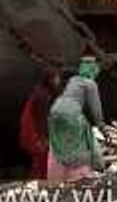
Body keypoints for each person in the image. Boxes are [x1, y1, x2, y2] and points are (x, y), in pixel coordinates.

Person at [46, 57, 107, 185]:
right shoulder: (90, 84)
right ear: (93, 70)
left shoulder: (73, 80)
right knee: (79, 143)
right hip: (71, 114)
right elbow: (96, 110)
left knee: (59, 143)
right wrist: (103, 128)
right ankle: (77, 176)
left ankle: (56, 177)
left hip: (54, 111)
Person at [18, 68, 63, 179]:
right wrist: (42, 137)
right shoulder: (43, 95)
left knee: (40, 160)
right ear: (49, 80)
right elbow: (40, 118)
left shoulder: (43, 92)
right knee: (42, 158)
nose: (58, 81)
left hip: (37, 132)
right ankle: (41, 181)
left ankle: (40, 180)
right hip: (36, 133)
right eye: (56, 78)